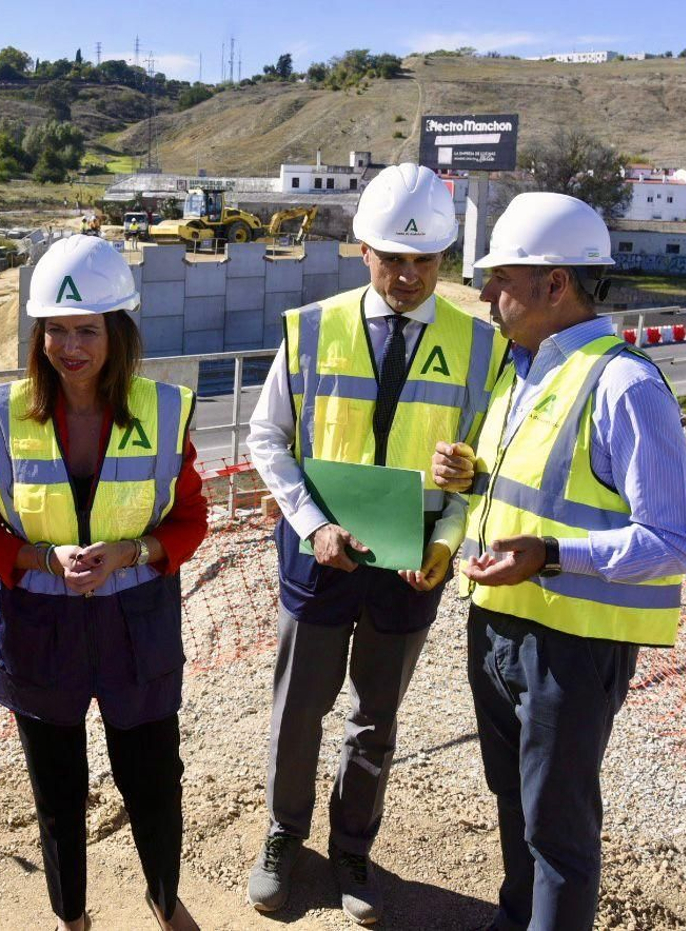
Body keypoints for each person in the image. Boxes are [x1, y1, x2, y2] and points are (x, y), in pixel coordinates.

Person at [431, 192, 686, 931]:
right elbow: (542, 488)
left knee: (559, 834)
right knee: (515, 804)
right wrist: (472, 477)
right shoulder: (523, 370)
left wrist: (551, 556)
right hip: (496, 629)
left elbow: (678, 541)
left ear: (556, 284)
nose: (485, 294)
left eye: (501, 280)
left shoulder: (625, 384)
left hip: (571, 647)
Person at [245, 163, 506, 924]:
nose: (409, 275)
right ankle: (283, 837)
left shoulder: (478, 347)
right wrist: (312, 524)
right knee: (299, 709)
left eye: (425, 260)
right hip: (319, 555)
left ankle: (353, 846)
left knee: (375, 718)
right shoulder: (313, 329)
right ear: (363, 249)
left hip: (410, 569)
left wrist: (451, 533)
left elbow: (482, 469)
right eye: (394, 258)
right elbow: (269, 438)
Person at [0, 235, 209, 931]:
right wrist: (43, 560)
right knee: (58, 795)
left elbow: (192, 519)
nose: (71, 346)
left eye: (87, 330)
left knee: (154, 783)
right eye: (57, 330)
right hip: (44, 635)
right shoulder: (6, 416)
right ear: (39, 333)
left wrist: (131, 549)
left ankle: (165, 899)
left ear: (117, 332)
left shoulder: (163, 411)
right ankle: (72, 917)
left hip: (139, 632)